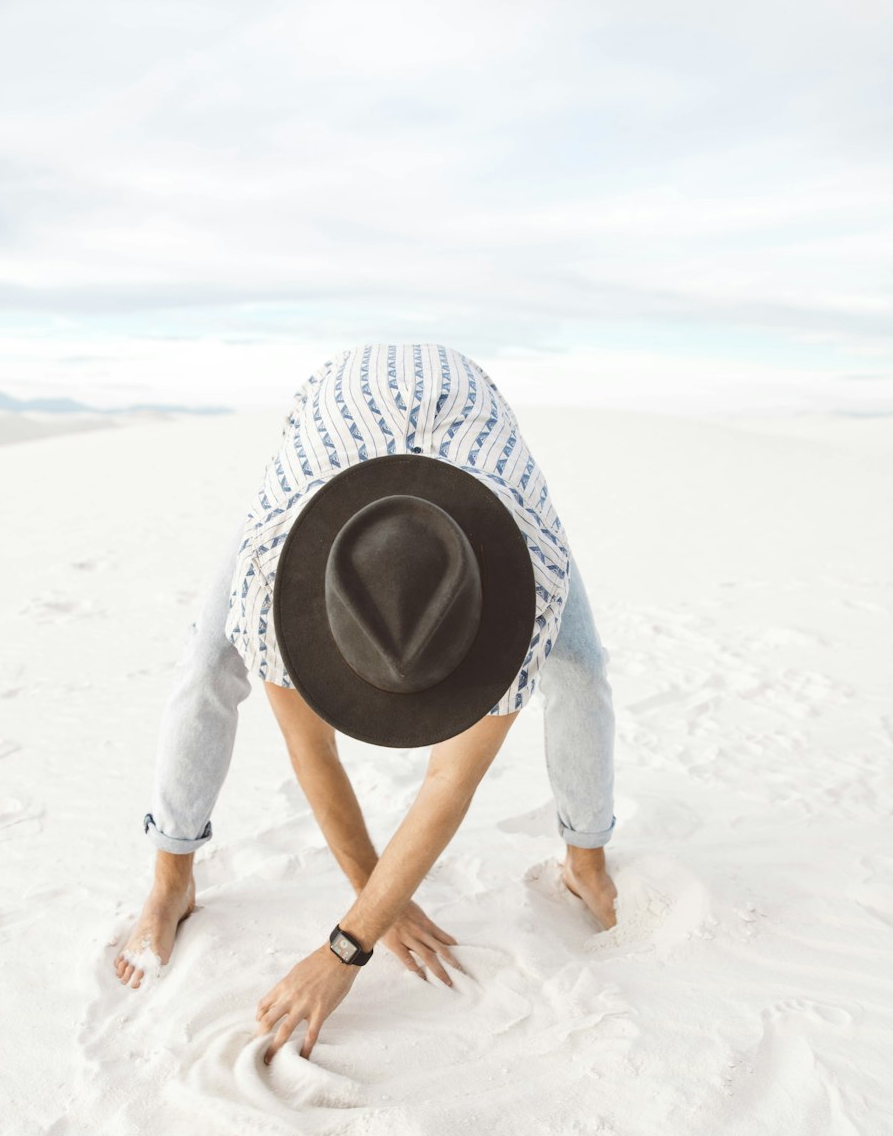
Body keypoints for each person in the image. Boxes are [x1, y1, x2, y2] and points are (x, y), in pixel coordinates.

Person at [114, 343, 618, 1064]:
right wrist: (376, 901)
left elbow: (451, 779)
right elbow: (311, 747)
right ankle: (170, 883)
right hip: (330, 425)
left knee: (583, 669)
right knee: (205, 665)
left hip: (474, 430)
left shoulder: (522, 586)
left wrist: (349, 944)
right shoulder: (270, 579)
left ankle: (586, 862)